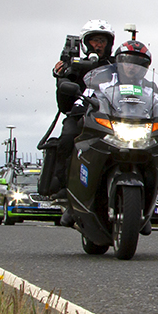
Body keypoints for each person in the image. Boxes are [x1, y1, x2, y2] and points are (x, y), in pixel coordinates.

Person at [48, 19, 115, 209]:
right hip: (82, 115)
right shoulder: (75, 66)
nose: (99, 44)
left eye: (102, 40)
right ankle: (62, 187)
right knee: (68, 136)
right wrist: (61, 77)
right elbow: (64, 105)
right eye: (94, 40)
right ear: (86, 43)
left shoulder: (117, 65)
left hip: (111, 117)